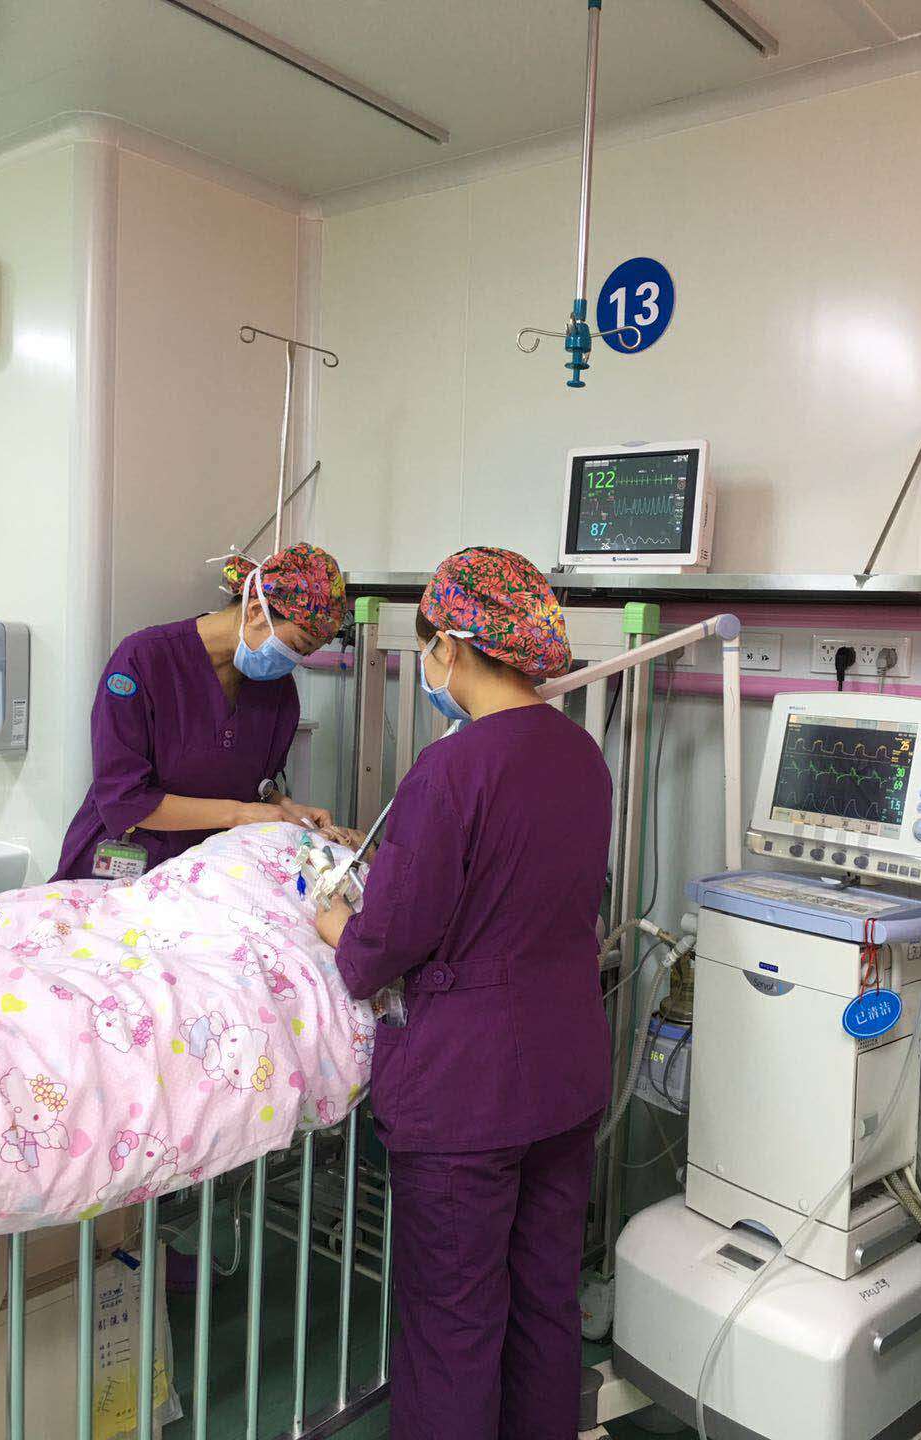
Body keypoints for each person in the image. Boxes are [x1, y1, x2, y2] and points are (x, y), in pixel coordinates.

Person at [315, 546, 613, 1440]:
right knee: (545, 1304)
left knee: (454, 1324)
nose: (428, 665)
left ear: (449, 645)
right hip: (565, 1076)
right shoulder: (580, 754)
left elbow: (386, 945)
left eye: (428, 648)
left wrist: (337, 924)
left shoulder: (451, 770)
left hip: (469, 1094)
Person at [53, 542, 345, 881]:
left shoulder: (277, 690)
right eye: (296, 646)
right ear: (255, 612)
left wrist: (285, 807)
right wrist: (239, 814)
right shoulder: (143, 660)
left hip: (208, 873)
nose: (293, 662)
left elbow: (253, 785)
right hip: (122, 865)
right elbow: (123, 799)